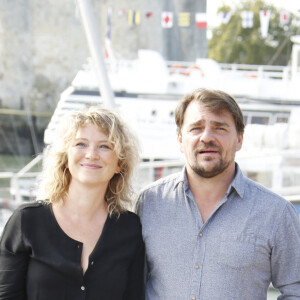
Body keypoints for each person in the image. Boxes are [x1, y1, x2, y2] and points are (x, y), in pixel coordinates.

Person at [137, 88, 300, 300]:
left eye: (219, 128)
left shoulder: (276, 213)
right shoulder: (149, 203)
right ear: (179, 139)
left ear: (239, 139)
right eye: (196, 128)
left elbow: (295, 290)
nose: (206, 137)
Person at [0, 106, 145, 299]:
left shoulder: (129, 228)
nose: (91, 154)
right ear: (66, 159)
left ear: (119, 164)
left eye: (105, 146)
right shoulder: (26, 221)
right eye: (81, 144)